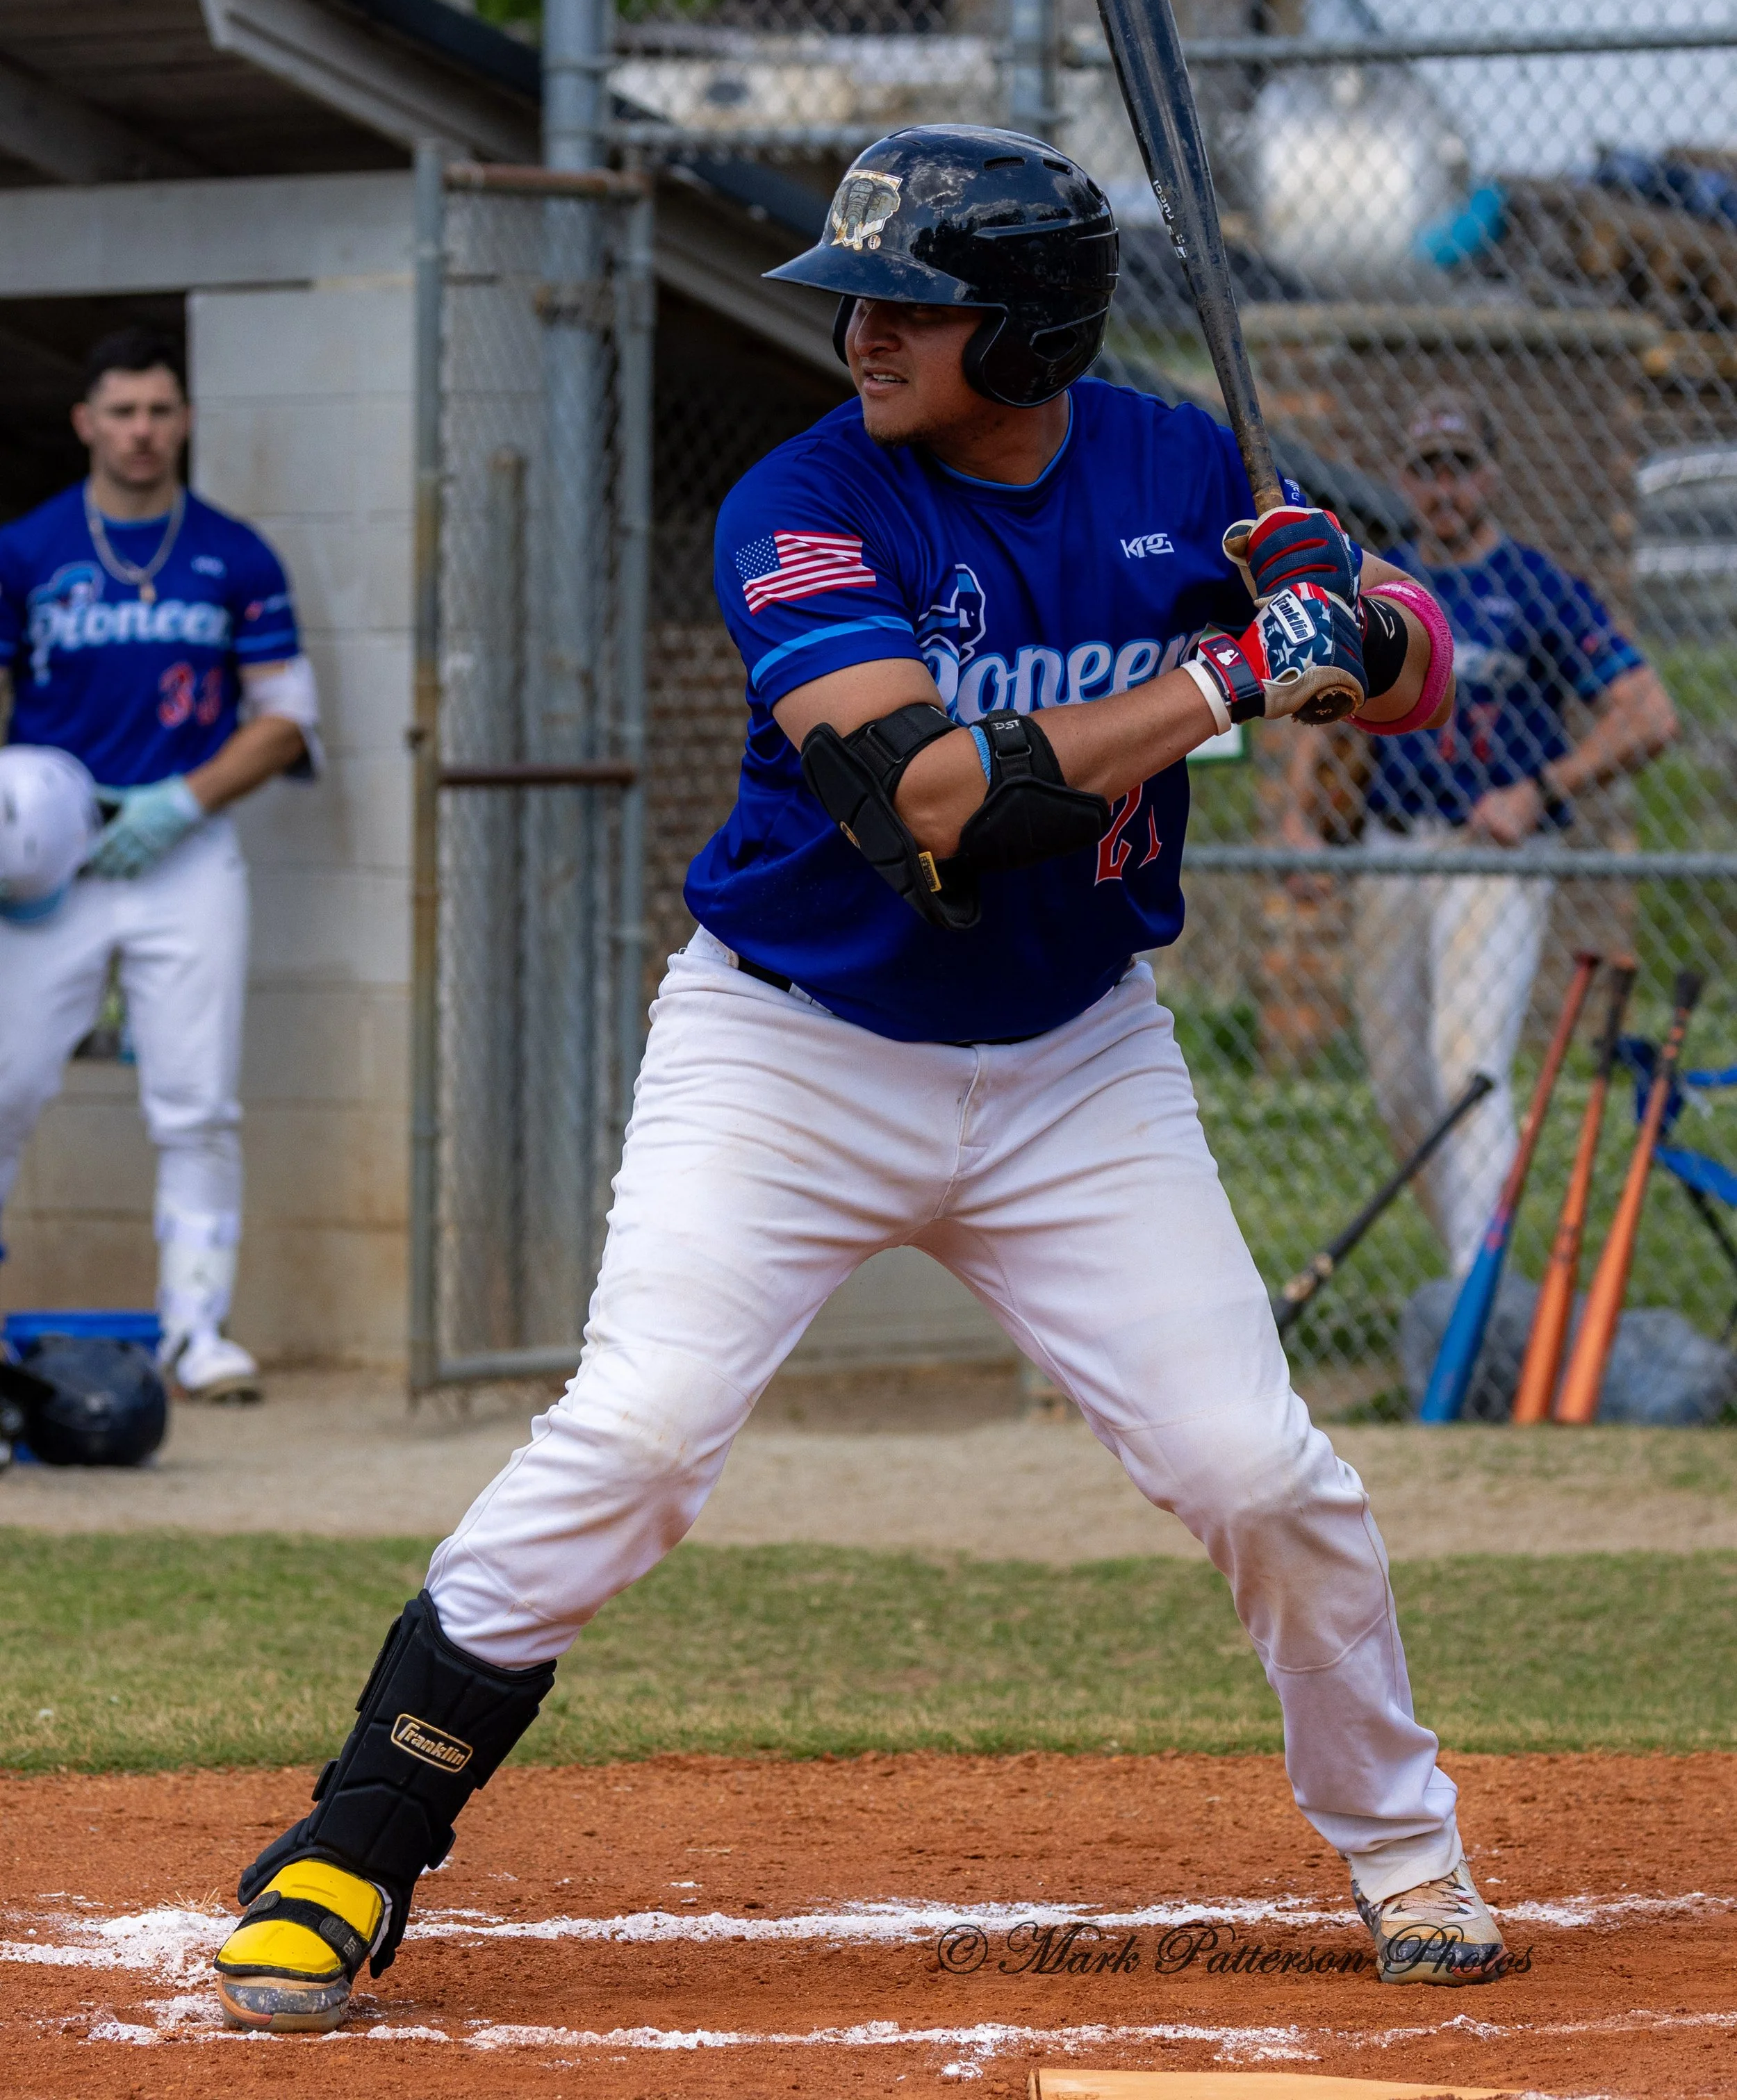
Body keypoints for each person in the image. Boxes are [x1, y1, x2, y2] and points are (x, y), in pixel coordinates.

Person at [209, 126, 1495, 2037]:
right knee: (639, 1439)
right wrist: (1236, 679)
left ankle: (1407, 1856)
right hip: (790, 1045)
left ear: (1032, 331)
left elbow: (1420, 680)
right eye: (861, 298)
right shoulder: (798, 506)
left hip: (1074, 1066)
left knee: (1254, 1469)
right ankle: (349, 1847)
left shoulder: (1178, 466)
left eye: (912, 304)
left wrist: (1346, 614)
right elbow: (930, 803)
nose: (863, 332)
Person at [1282, 392, 1678, 1277]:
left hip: (1489, 853)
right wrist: (1299, 823)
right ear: (1404, 480)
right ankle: (1474, 1260)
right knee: (1400, 1082)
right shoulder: (1380, 585)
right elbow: (1319, 705)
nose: (1443, 486)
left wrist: (1542, 789)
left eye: (1460, 466)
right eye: (1427, 468)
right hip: (1391, 845)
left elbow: (1649, 713)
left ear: (1491, 475)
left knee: (1468, 1059)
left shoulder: (1537, 588)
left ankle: (1477, 1291)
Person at [0, 326, 322, 1401]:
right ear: (87, 422)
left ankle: (196, 1332)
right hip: (50, 864)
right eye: (122, 412)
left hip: (183, 853)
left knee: (196, 1104)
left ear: (185, 420)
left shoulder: (234, 553)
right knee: (3, 1090)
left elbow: (285, 720)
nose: (142, 432)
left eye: (160, 411)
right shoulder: (29, 549)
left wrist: (181, 800)